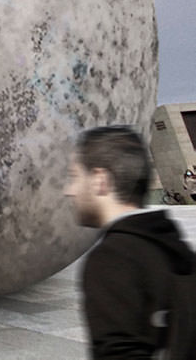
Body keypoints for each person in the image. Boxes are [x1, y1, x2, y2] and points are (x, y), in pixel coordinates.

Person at [65, 125, 195, 358]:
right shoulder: (173, 245)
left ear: (99, 180)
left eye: (75, 177)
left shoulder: (113, 258)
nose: (69, 190)